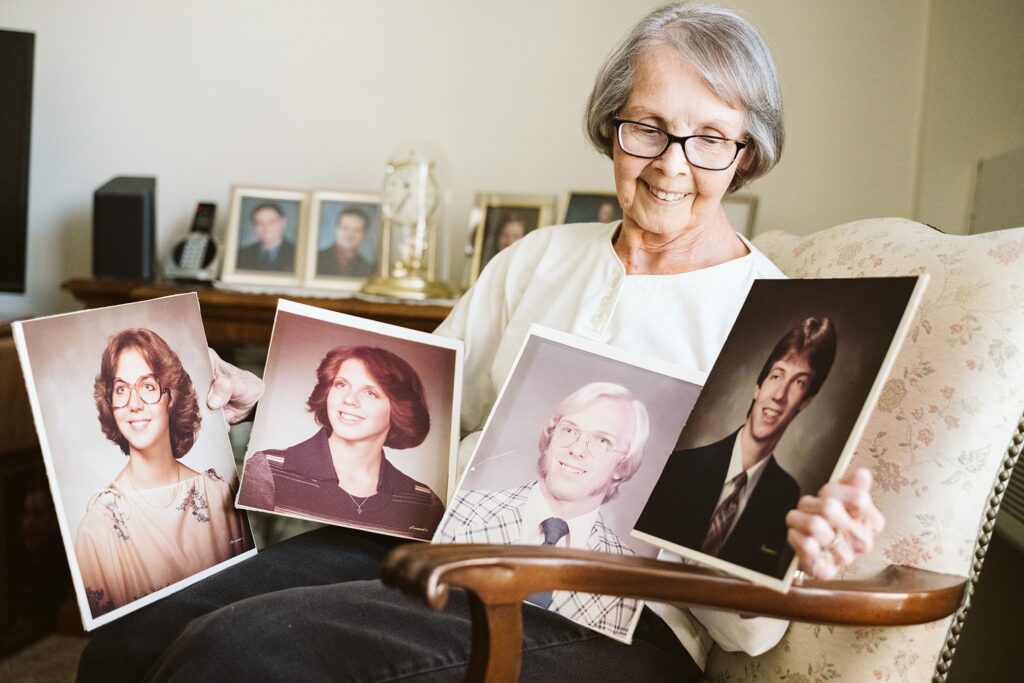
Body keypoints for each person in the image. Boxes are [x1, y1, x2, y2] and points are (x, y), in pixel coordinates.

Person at [79, 4, 884, 680]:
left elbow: (750, 630)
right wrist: (270, 398)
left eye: (711, 137)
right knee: (132, 632)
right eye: (650, 127)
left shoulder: (770, 319)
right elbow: (418, 416)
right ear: (613, 128)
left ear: (746, 154)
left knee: (237, 655)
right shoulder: (537, 257)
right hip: (448, 554)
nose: (674, 163)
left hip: (620, 625)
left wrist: (802, 549)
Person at [439, 382, 649, 638]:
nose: (577, 449)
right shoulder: (460, 508)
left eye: (602, 441)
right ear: (550, 437)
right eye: (569, 430)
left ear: (621, 466)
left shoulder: (629, 578)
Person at [636, 317, 837, 578]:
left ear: (806, 402)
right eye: (777, 375)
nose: (779, 394)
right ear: (758, 386)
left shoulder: (787, 495)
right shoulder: (681, 466)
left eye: (799, 383)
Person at [74, 329, 252, 618]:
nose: (133, 404)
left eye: (148, 386)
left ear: (171, 396)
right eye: (121, 389)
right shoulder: (97, 530)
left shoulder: (218, 494)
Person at [238, 345, 445, 539]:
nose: (349, 399)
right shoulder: (267, 469)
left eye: (370, 393)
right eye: (341, 385)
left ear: (400, 410)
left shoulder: (423, 501)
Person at [235, 202, 296, 271]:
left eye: (272, 222)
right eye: (260, 223)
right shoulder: (242, 254)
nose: (266, 228)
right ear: (254, 226)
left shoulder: (296, 254)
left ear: (283, 223)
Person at [316, 207, 376, 277]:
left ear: (364, 234)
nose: (350, 235)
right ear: (336, 229)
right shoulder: (317, 259)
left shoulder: (369, 268)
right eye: (345, 228)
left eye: (357, 230)